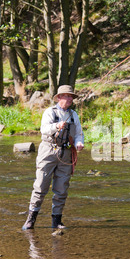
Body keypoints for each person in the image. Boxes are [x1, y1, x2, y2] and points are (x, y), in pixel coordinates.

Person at [22, 85, 84, 230]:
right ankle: (31, 220)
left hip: (66, 153)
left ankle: (57, 221)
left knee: (62, 188)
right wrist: (57, 126)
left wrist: (79, 142)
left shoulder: (74, 115)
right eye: (67, 96)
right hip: (48, 151)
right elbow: (44, 129)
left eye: (71, 97)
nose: (70, 99)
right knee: (41, 185)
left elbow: (78, 133)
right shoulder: (50, 112)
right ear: (59, 97)